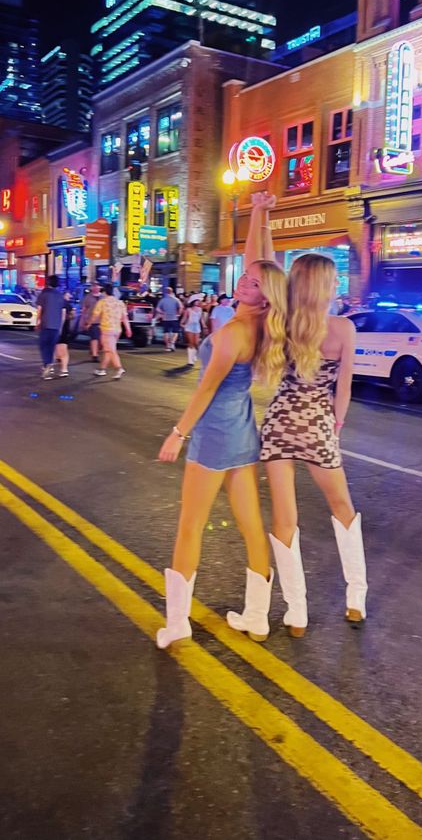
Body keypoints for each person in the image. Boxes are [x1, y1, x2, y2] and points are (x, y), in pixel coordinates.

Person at [156, 199, 287, 649]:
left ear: (264, 295)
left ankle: (176, 622)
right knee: (251, 524)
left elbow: (205, 391)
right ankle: (257, 616)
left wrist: (178, 434)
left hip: (214, 436)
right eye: (245, 278)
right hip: (242, 432)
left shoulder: (233, 333)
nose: (244, 281)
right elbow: (260, 259)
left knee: (190, 525)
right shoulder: (260, 327)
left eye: (252, 283)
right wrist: (259, 213)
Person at [259, 247, 367, 636]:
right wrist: (335, 425)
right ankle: (356, 597)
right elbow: (345, 385)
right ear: (322, 284)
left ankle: (297, 612)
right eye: (334, 278)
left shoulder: (280, 322)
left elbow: (263, 264)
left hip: (279, 423)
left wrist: (261, 214)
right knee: (342, 507)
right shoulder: (343, 328)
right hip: (317, 423)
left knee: (285, 517)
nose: (338, 283)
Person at [92, 285, 132, 379]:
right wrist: (128, 329)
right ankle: (102, 369)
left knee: (111, 350)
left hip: (107, 329)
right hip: (117, 330)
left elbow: (95, 315)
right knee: (108, 350)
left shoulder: (102, 302)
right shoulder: (120, 303)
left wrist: (89, 323)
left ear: (105, 292)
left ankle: (119, 368)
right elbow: (125, 318)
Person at [36, 275, 65, 380]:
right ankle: (48, 364)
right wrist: (60, 326)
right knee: (51, 347)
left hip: (45, 324)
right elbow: (63, 312)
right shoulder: (60, 295)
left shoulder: (44, 294)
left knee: (43, 346)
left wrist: (37, 322)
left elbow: (39, 309)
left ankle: (47, 364)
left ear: (48, 282)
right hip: (56, 325)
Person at [54, 292, 75, 378]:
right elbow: (72, 316)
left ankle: (62, 368)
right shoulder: (68, 304)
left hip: (60, 328)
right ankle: (64, 369)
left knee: (59, 349)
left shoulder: (60, 303)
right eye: (68, 294)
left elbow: (62, 317)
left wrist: (59, 329)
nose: (70, 296)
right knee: (63, 349)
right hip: (65, 329)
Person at [80, 283, 102, 363]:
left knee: (101, 339)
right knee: (94, 338)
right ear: (92, 288)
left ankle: (94, 350)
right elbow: (84, 309)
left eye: (97, 286)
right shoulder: (88, 297)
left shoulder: (103, 297)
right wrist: (83, 320)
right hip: (92, 321)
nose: (96, 287)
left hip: (103, 321)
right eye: (94, 286)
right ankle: (95, 355)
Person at [156, 286, 183, 351]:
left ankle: (168, 346)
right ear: (172, 291)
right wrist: (178, 314)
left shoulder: (163, 300)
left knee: (166, 332)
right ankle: (172, 343)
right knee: (175, 332)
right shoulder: (176, 299)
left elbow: (157, 309)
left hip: (165, 318)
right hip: (174, 318)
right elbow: (181, 307)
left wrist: (162, 313)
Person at [181, 298, 203, 366]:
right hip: (189, 327)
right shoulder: (188, 310)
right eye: (196, 301)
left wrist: (204, 326)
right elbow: (184, 318)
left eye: (198, 301)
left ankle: (194, 355)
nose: (197, 302)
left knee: (196, 343)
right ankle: (190, 360)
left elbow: (201, 319)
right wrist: (182, 324)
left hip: (197, 327)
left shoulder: (200, 309)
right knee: (191, 343)